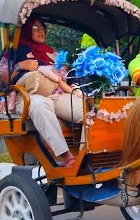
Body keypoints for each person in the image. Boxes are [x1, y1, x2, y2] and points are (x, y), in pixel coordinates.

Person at [9, 17, 84, 168]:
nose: (41, 31)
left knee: (88, 111)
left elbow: (64, 77)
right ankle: (67, 157)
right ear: (26, 29)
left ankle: (85, 155)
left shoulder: (52, 52)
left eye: (42, 27)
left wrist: (74, 88)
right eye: (35, 27)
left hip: (58, 93)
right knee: (38, 105)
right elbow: (3, 82)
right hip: (29, 95)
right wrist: (20, 66)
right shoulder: (15, 51)